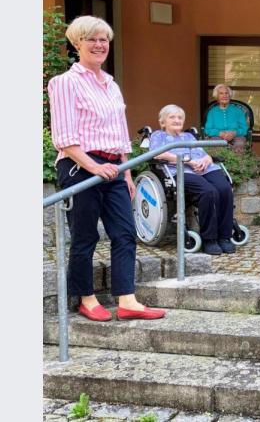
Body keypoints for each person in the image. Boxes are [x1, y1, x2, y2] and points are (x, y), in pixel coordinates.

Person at [48, 16, 165, 321]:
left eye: (104, 40)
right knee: (85, 236)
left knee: (124, 233)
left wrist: (127, 172)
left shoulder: (111, 85)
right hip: (79, 167)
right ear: (77, 43)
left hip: (114, 167)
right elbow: (64, 137)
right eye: (92, 39)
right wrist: (94, 166)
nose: (99, 45)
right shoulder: (65, 83)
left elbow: (120, 132)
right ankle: (86, 299)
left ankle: (127, 300)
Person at [149, 104, 237, 255]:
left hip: (205, 168)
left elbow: (203, 153)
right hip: (181, 170)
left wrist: (207, 160)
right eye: (172, 117)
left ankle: (224, 237)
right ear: (163, 122)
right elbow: (157, 154)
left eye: (180, 117)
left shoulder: (189, 136)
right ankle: (209, 239)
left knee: (224, 189)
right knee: (208, 192)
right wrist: (187, 161)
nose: (177, 120)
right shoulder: (158, 136)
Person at [205, 84, 249, 153]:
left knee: (239, 144)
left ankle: (235, 160)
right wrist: (220, 133)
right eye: (221, 93)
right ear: (217, 96)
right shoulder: (212, 112)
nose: (224, 96)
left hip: (237, 136)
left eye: (226, 93)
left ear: (229, 95)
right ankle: (218, 160)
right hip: (217, 136)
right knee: (216, 144)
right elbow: (208, 130)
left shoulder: (238, 111)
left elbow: (244, 128)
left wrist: (234, 133)